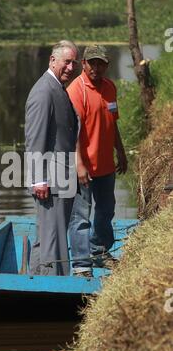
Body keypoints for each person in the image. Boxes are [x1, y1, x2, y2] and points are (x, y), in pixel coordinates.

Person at [67, 45, 128, 276]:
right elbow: (72, 133)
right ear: (83, 64)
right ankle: (82, 265)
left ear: (106, 65)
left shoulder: (110, 88)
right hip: (84, 166)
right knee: (81, 216)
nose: (96, 67)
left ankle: (99, 251)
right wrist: (79, 164)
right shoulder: (77, 90)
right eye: (91, 63)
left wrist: (120, 152)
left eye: (100, 63)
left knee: (106, 210)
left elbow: (113, 124)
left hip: (105, 166)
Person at [25, 40, 79, 276]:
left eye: (74, 63)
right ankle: (53, 289)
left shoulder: (57, 87)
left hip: (61, 180)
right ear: (52, 60)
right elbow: (35, 138)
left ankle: (35, 284)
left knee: (46, 238)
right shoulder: (43, 91)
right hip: (51, 182)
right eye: (67, 62)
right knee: (53, 243)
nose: (70, 67)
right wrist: (39, 179)